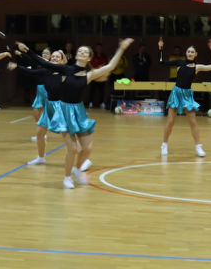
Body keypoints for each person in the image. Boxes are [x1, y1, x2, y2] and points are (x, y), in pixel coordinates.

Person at [18, 39, 133, 188]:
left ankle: (76, 169)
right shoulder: (65, 69)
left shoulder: (89, 75)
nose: (82, 52)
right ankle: (67, 178)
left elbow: (110, 66)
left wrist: (121, 49)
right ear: (77, 55)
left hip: (78, 112)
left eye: (86, 52)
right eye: (80, 51)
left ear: (89, 58)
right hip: (64, 112)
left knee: (87, 149)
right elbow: (43, 63)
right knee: (72, 149)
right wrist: (26, 50)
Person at [158, 37, 211, 157]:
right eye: (188, 51)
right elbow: (161, 62)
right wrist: (160, 48)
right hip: (176, 93)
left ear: (196, 54)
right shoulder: (179, 62)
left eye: (192, 52)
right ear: (186, 53)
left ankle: (198, 146)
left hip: (187, 95)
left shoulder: (197, 67)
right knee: (171, 121)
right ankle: (164, 144)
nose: (190, 53)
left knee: (193, 122)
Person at [10, 48, 61, 165]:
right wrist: (18, 66)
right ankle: (41, 158)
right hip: (49, 104)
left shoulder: (64, 72)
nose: (54, 58)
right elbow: (32, 70)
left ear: (62, 61)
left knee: (69, 135)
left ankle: (84, 157)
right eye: (53, 56)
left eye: (57, 56)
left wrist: (23, 53)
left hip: (61, 107)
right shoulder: (46, 70)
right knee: (39, 133)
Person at [87, 43, 109, 108]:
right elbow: (92, 64)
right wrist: (97, 67)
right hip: (94, 75)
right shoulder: (93, 55)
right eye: (97, 48)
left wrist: (101, 67)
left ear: (101, 49)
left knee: (101, 90)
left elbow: (106, 64)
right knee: (92, 89)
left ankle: (102, 103)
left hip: (102, 75)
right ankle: (91, 102)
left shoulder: (104, 56)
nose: (98, 49)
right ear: (95, 48)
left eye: (100, 48)